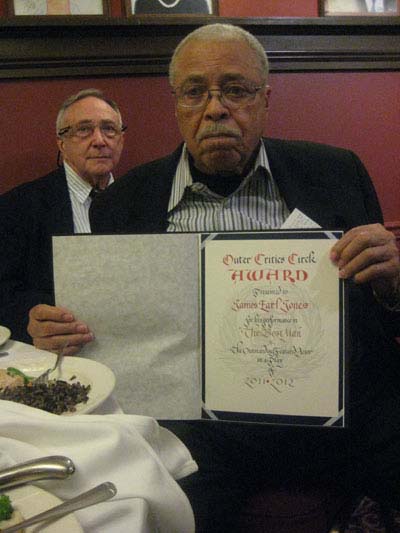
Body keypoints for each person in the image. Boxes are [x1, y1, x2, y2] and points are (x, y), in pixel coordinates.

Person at [38, 23, 400, 531]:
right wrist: (60, 334)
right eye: (194, 92)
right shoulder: (124, 203)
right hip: (200, 436)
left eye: (236, 89)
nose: (215, 108)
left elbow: (380, 319)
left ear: (265, 98)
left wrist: (392, 286)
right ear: (176, 103)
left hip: (336, 417)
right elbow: (110, 336)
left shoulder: (336, 173)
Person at [0, 88, 125, 352]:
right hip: (53, 357)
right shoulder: (17, 206)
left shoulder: (145, 199)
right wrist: (31, 319)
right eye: (84, 130)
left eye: (109, 129)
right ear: (61, 143)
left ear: (121, 139)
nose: (100, 140)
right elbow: (4, 291)